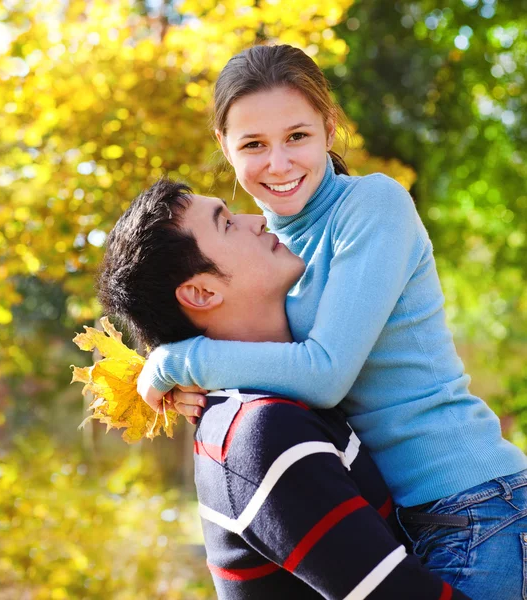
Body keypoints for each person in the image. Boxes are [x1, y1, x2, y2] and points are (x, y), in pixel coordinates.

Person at [136, 45, 527, 599]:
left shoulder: (372, 207)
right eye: (253, 144)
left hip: (476, 507)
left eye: (296, 136)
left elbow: (324, 372)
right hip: (400, 521)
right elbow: (255, 352)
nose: (278, 163)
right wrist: (188, 382)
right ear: (225, 146)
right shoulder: (262, 251)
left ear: (329, 126)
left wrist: (180, 359)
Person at [97, 178, 469, 599]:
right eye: (227, 224)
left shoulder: (277, 407)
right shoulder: (262, 433)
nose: (257, 220)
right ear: (201, 292)